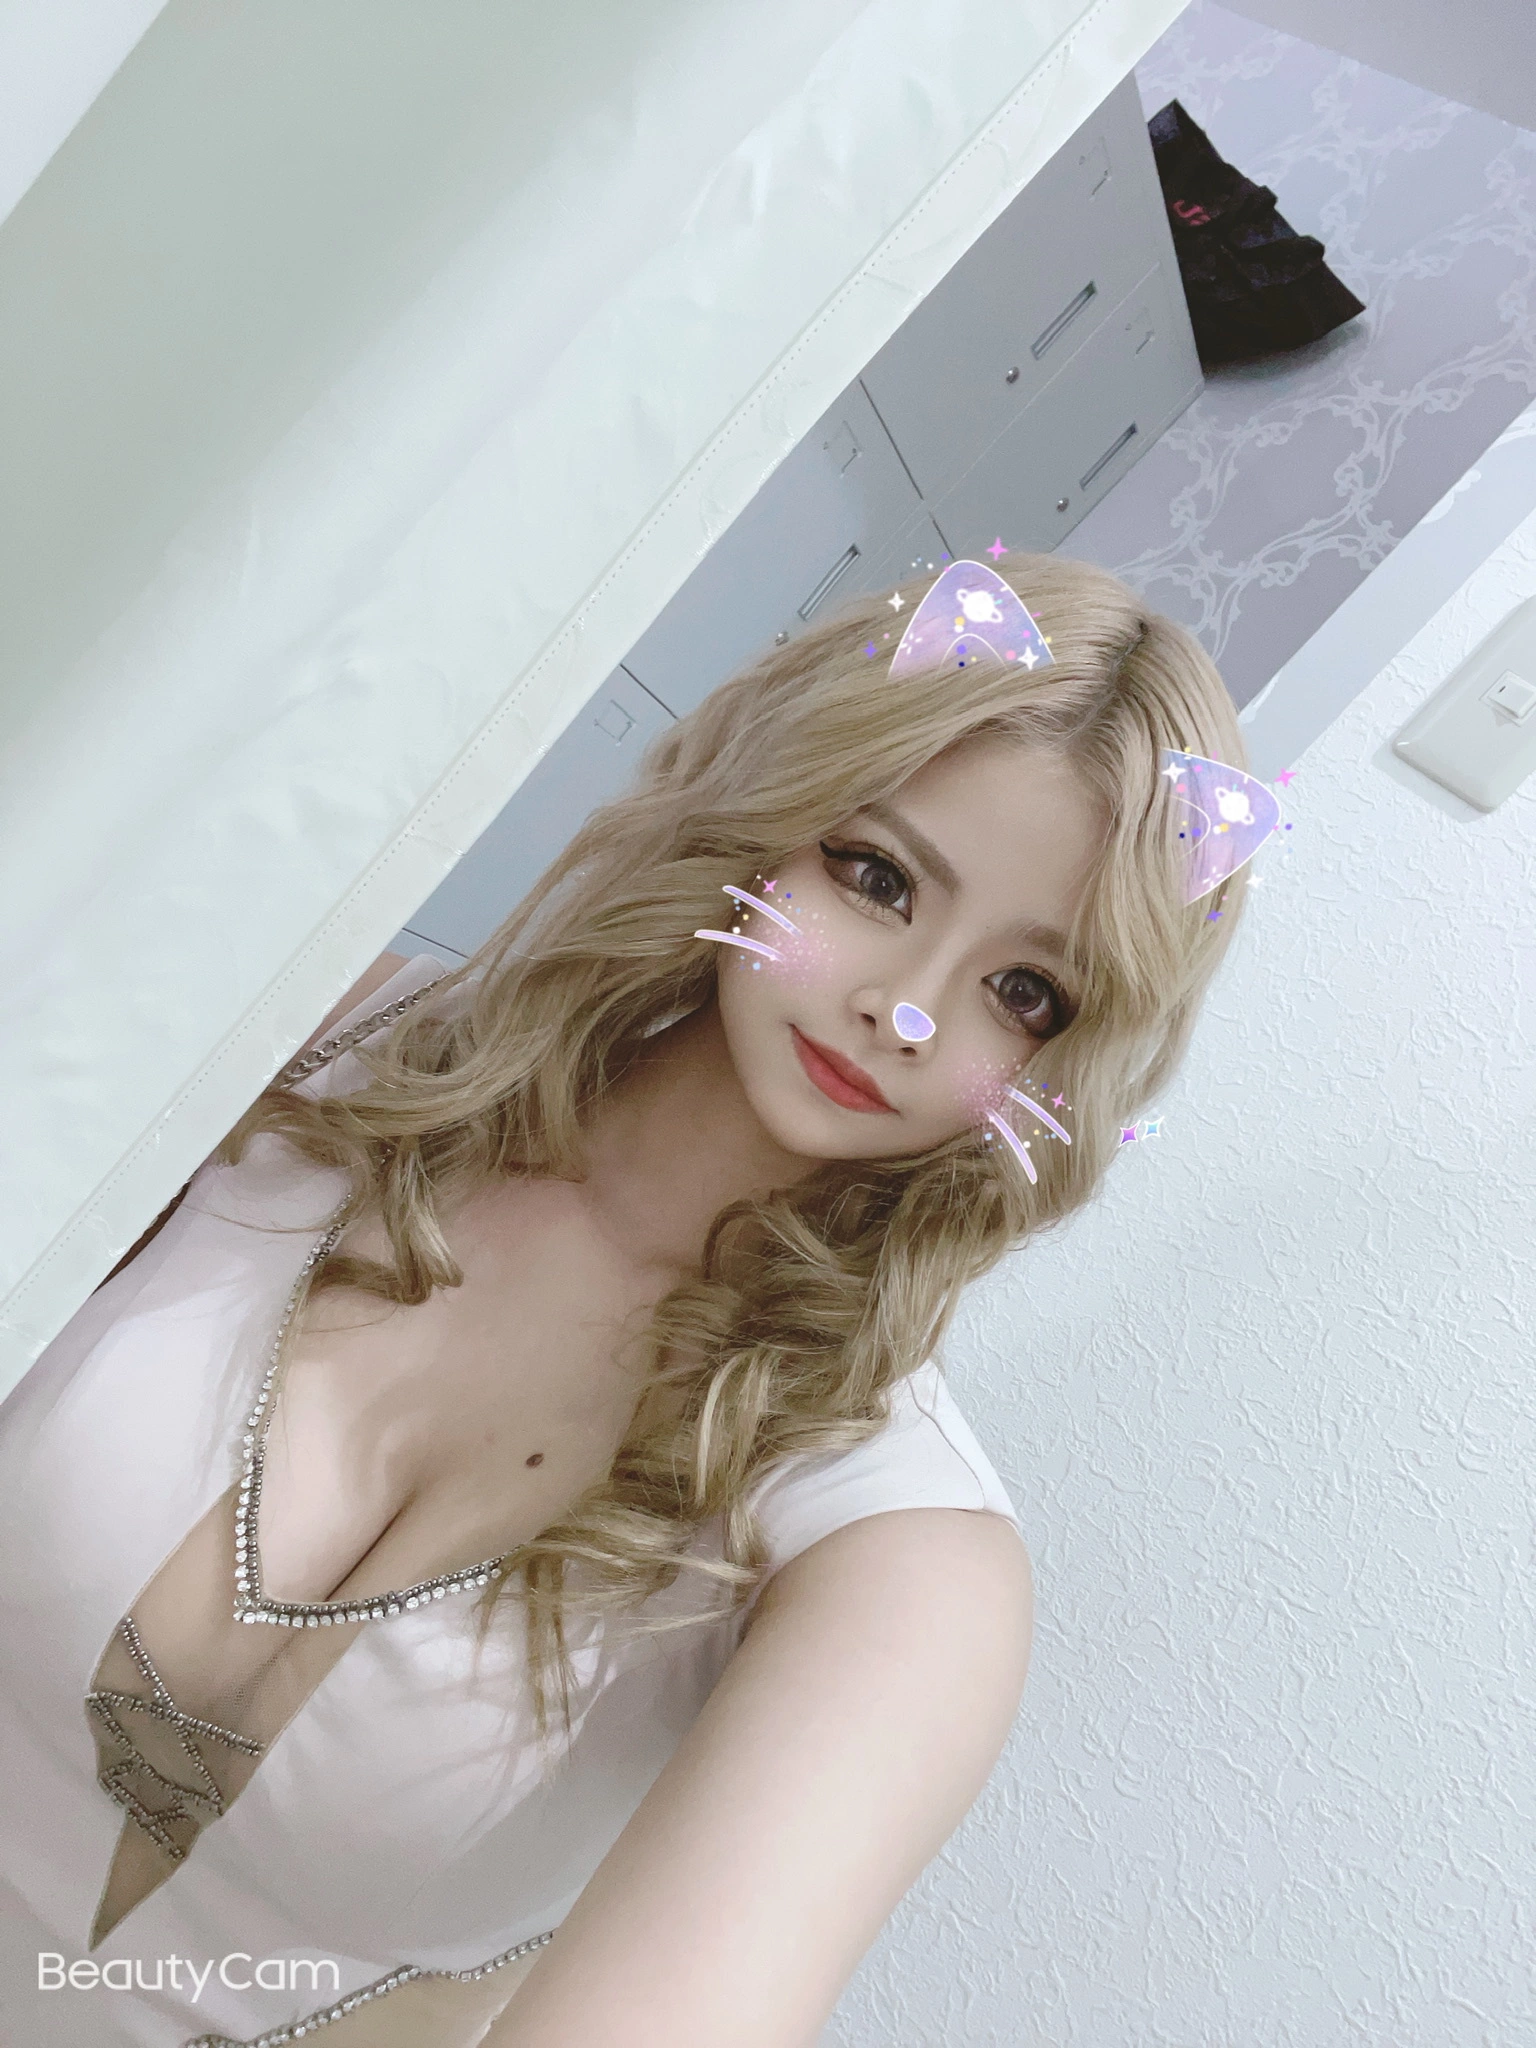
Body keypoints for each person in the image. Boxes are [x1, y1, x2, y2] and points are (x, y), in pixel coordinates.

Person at [0, 551, 1248, 2048]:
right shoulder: (310, 1049)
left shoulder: (902, 1566)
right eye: (879, 878)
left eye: (1024, 993)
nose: (908, 1005)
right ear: (764, 812)